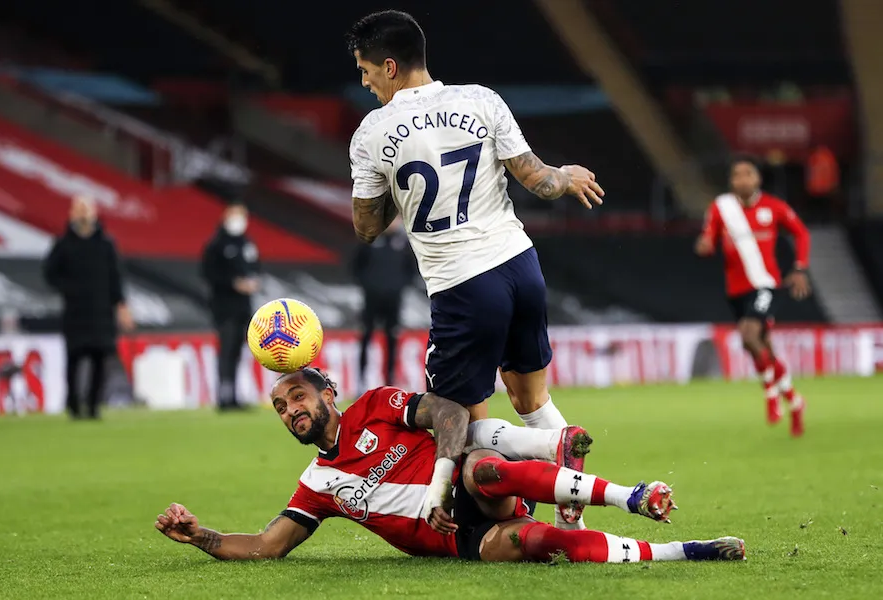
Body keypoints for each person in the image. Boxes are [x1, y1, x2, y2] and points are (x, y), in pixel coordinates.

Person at [346, 10, 605, 529]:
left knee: (458, 419)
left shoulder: (372, 132)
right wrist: (566, 174)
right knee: (532, 399)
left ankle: (521, 488)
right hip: (521, 266)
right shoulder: (481, 100)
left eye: (366, 70)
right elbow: (538, 180)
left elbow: (368, 227)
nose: (366, 82)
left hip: (464, 287)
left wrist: (397, 187)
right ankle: (571, 515)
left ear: (390, 66)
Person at [155, 368, 745, 564]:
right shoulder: (317, 485)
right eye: (282, 408)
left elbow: (448, 413)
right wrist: (200, 535)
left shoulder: (376, 405)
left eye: (298, 397)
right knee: (540, 544)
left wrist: (441, 479)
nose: (291, 411)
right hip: (462, 541)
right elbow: (266, 546)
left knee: (481, 469)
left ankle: (630, 495)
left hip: (468, 484)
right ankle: (685, 552)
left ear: (327, 394)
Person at [695, 155, 811, 436]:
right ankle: (795, 401)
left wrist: (799, 268)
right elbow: (708, 239)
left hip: (765, 285)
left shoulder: (774, 207)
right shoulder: (721, 208)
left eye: (748, 173)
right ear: (731, 181)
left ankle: (770, 394)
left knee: (749, 336)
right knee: (762, 346)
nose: (743, 179)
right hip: (736, 290)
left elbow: (801, 233)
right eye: (737, 175)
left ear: (757, 178)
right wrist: (705, 244)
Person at [43, 195, 135, 420]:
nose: (83, 213)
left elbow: (116, 277)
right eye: (79, 209)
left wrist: (121, 306)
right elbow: (49, 273)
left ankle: (94, 405)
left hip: (101, 311)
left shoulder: (106, 244)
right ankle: (74, 405)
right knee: (74, 359)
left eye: (87, 209)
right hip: (75, 311)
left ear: (94, 213)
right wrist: (68, 289)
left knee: (100, 359)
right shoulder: (63, 244)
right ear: (72, 213)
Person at [201, 200, 261, 411]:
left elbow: (255, 267)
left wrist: (253, 281)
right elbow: (209, 273)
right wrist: (233, 283)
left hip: (244, 307)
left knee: (237, 351)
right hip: (224, 307)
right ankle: (223, 396)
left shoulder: (247, 244)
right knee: (226, 351)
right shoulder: (216, 245)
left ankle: (235, 395)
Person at [351, 216, 417, 388]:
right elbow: (356, 266)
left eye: (395, 219)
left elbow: (412, 269)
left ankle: (390, 381)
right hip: (371, 299)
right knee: (366, 337)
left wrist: (398, 286)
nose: (392, 223)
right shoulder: (370, 239)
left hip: (393, 301)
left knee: (392, 339)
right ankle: (361, 381)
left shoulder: (404, 243)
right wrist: (369, 285)